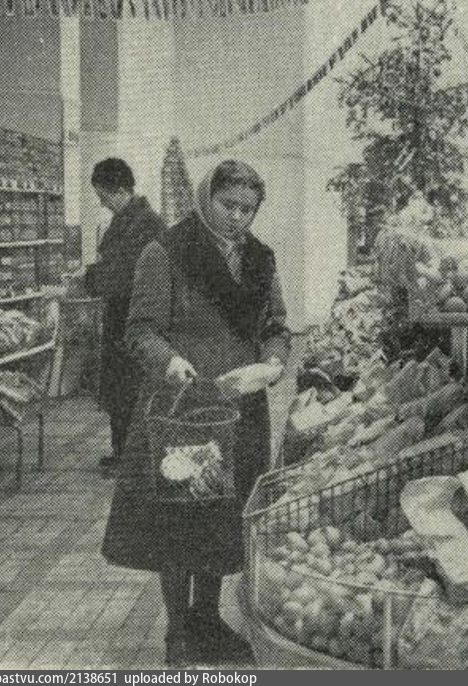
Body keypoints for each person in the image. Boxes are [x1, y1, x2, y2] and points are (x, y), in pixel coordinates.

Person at [101, 161, 290, 667]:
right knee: (179, 513)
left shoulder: (260, 259)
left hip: (239, 405)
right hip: (182, 405)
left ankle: (208, 618)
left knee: (222, 512)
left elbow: (276, 325)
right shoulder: (166, 251)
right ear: (206, 199)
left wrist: (274, 362)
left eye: (248, 209)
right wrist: (169, 361)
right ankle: (178, 630)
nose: (237, 217)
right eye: (228, 205)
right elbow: (140, 330)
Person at [85, 158, 165, 471]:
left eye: (104, 196)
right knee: (120, 390)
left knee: (130, 390)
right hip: (121, 318)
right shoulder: (130, 220)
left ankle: (132, 459)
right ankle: (122, 453)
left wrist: (88, 279)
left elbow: (124, 276)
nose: (102, 203)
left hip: (134, 320)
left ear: (120, 191)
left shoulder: (145, 224)